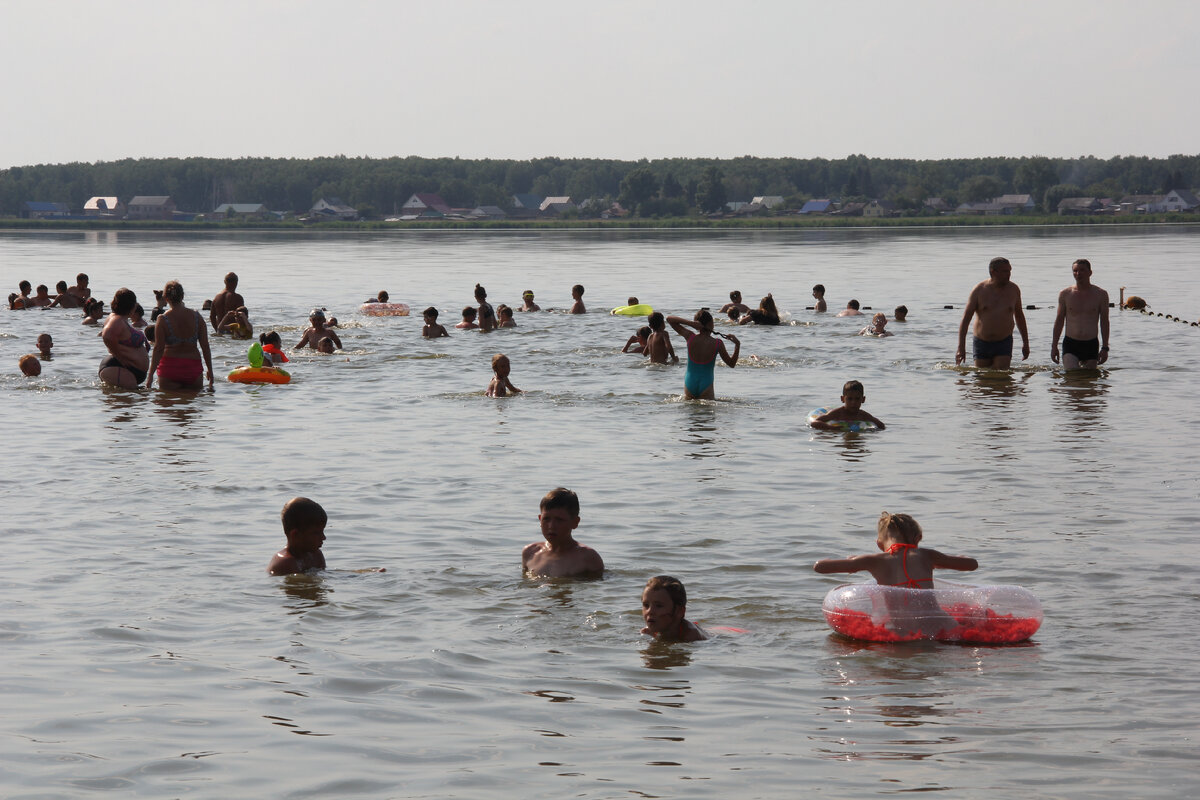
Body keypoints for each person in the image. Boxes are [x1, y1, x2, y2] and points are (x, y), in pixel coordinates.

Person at [813, 512, 978, 636]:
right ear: (918, 538)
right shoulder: (927, 555)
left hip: (900, 628)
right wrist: (946, 561)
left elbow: (820, 567)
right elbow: (971, 565)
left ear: (879, 544)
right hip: (938, 624)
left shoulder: (873, 560)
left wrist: (853, 561)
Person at [956, 256, 1030, 368]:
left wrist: (1026, 343)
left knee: (1001, 377)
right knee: (982, 379)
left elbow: (1019, 316)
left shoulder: (1014, 289)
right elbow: (966, 319)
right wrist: (961, 347)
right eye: (1005, 271)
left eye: (1010, 271)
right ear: (993, 272)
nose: (1009, 274)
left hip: (1004, 341)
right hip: (982, 341)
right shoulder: (979, 290)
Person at [147, 280, 214, 391]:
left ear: (166, 298)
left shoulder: (162, 319)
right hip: (193, 368)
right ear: (182, 296)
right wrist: (210, 371)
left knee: (168, 404)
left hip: (169, 369)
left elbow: (158, 349)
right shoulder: (197, 317)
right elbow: (205, 346)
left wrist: (150, 375)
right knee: (191, 405)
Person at [522, 488, 604, 578]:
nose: (551, 526)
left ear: (575, 522)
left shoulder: (587, 557)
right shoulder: (530, 552)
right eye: (546, 519)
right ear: (540, 519)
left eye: (559, 520)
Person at [1051, 258, 1110, 369]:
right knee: (1072, 373)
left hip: (1091, 343)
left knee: (1089, 380)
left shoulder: (1101, 294)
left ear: (1090, 273)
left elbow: (1105, 322)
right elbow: (1059, 321)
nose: (1078, 273)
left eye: (1082, 270)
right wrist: (1054, 346)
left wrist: (1105, 348)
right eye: (1075, 271)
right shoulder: (1065, 294)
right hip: (1071, 343)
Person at [667, 310, 740, 400]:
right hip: (706, 384)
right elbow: (731, 364)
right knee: (706, 412)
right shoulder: (717, 343)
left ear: (697, 324)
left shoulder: (690, 337)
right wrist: (737, 345)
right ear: (711, 324)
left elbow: (669, 319)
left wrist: (690, 324)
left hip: (690, 383)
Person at [98, 288, 150, 389]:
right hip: (118, 367)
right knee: (126, 402)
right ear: (130, 305)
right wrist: (121, 358)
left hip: (124, 368)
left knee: (129, 401)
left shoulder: (120, 319)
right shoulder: (117, 320)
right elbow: (107, 335)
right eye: (135, 303)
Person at [267, 497, 328, 576]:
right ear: (295, 535)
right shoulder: (286, 562)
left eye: (322, 531)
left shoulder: (316, 555)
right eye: (316, 533)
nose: (323, 537)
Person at [641, 576, 706, 642]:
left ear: (679, 611)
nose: (650, 611)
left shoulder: (690, 636)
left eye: (659, 606)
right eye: (646, 605)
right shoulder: (651, 628)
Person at [809, 380, 886, 430]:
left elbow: (881, 425)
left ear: (863, 399)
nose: (853, 402)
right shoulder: (837, 413)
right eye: (849, 399)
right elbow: (814, 422)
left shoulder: (863, 415)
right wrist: (830, 428)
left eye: (857, 399)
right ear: (843, 399)